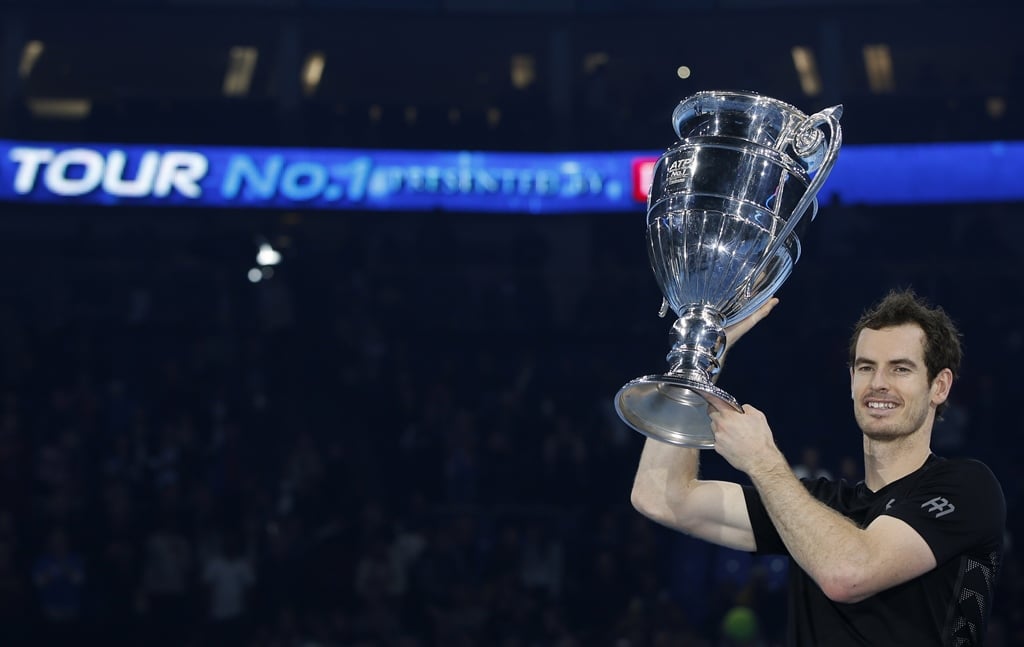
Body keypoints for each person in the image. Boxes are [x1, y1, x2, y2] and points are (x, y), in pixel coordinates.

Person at [630, 289, 1005, 646]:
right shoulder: (810, 506)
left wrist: (762, 460)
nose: (878, 383)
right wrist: (700, 360)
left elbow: (849, 573)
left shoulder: (967, 487)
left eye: (900, 369)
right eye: (865, 367)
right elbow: (661, 495)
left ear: (939, 386)